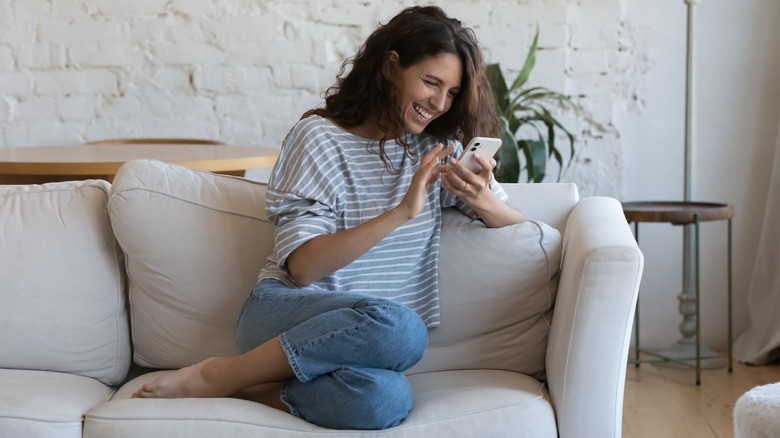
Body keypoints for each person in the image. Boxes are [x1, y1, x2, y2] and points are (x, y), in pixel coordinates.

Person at [131, 5, 525, 430]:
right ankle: (217, 374)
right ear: (391, 66)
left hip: (358, 342)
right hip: (283, 312)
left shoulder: (437, 149)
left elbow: (521, 229)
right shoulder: (318, 138)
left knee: (385, 399)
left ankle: (248, 388)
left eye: (451, 92)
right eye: (430, 82)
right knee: (404, 330)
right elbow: (302, 268)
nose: (439, 103)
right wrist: (403, 211)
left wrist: (481, 198)